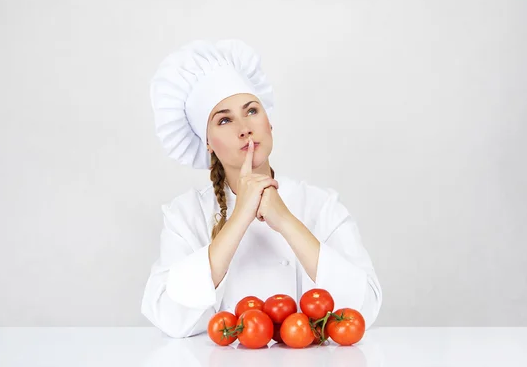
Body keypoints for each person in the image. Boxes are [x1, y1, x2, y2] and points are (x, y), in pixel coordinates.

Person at [141, 39, 383, 339]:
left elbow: (365, 306)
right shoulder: (185, 214)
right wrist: (240, 216)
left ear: (270, 123)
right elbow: (168, 312)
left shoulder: (321, 205)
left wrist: (286, 222)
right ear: (207, 143)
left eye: (252, 111)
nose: (244, 127)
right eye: (224, 119)